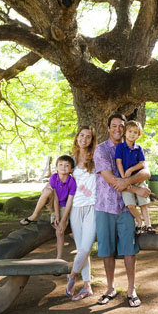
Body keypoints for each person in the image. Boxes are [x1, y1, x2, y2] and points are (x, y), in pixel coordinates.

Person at [93, 113, 150, 308]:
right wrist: (136, 187)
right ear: (108, 128)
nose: (118, 129)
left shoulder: (133, 147)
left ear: (126, 129)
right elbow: (111, 180)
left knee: (129, 250)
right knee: (107, 250)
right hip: (105, 206)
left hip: (126, 207)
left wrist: (128, 181)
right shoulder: (101, 150)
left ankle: (131, 289)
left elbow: (146, 171)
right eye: (114, 126)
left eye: (121, 126)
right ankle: (110, 288)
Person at [20, 154, 76, 260]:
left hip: (64, 206)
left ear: (71, 169)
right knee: (46, 190)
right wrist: (56, 215)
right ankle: (34, 215)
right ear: (56, 167)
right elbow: (54, 197)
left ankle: (59, 257)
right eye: (60, 164)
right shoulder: (54, 177)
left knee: (59, 231)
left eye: (67, 165)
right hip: (53, 203)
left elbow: (69, 202)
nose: (63, 167)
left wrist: (62, 219)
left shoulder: (72, 182)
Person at [64, 126, 97, 301]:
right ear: (77, 137)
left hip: (92, 206)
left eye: (88, 137)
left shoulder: (95, 158)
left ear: (92, 140)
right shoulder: (70, 159)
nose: (84, 139)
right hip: (75, 208)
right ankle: (87, 286)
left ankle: (72, 276)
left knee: (86, 247)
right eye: (81, 135)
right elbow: (60, 184)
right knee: (82, 250)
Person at [115, 119, 154, 235]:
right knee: (130, 205)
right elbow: (118, 163)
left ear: (139, 135)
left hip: (138, 179)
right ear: (125, 132)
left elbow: (142, 164)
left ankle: (148, 225)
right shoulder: (120, 147)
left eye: (135, 132)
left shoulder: (139, 148)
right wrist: (124, 179)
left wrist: (131, 170)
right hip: (125, 181)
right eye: (130, 131)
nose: (132, 134)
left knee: (143, 204)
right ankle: (139, 222)